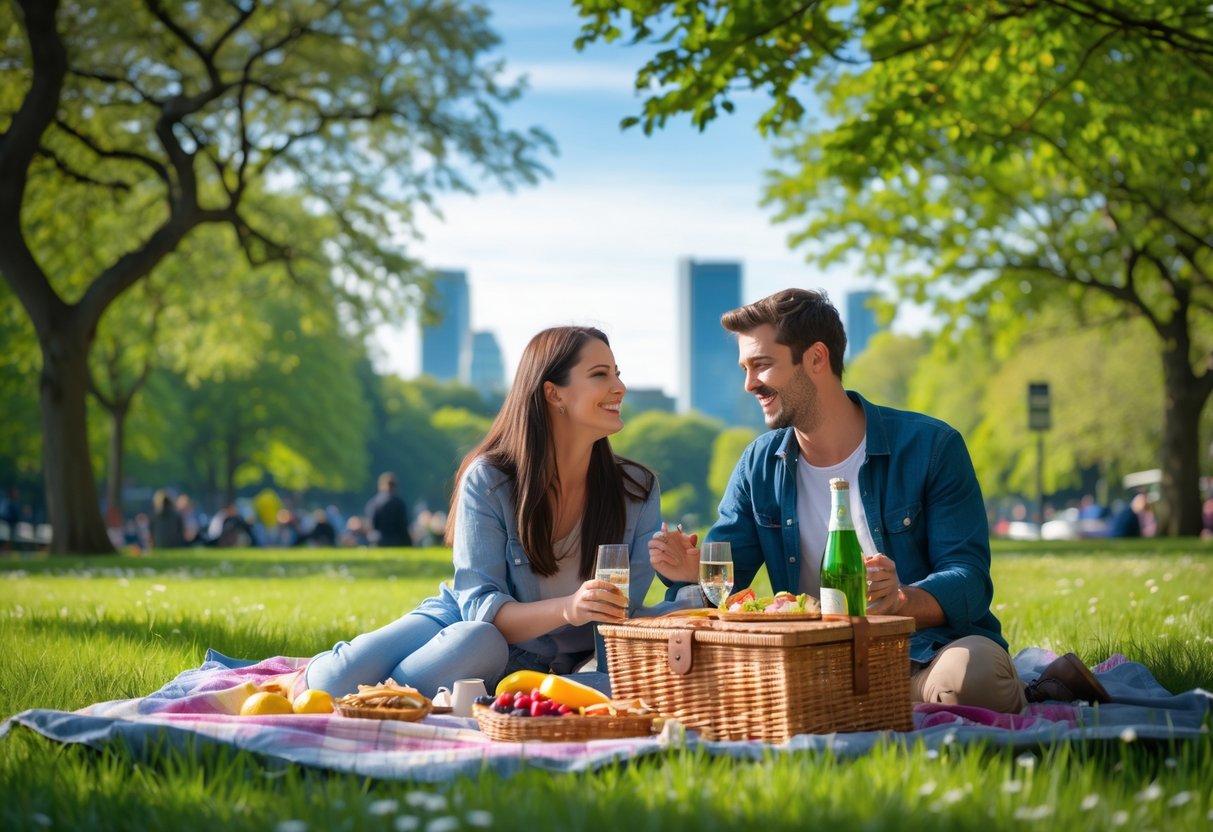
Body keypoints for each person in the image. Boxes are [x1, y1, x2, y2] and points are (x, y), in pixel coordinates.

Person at [649, 289, 1108, 713]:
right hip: (811, 661)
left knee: (975, 677)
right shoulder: (757, 465)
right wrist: (693, 575)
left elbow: (969, 580)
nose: (749, 384)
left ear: (815, 358)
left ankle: (1002, 688)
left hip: (923, 653)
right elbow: (725, 584)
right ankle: (885, 703)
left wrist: (901, 600)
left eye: (762, 365)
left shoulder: (932, 446)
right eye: (745, 369)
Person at [305, 326, 662, 697]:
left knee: (479, 645)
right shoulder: (491, 480)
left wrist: (682, 579)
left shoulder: (636, 491)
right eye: (600, 374)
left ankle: (384, 695)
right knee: (334, 682)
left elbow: (624, 618)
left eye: (616, 373)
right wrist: (570, 608)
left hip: (516, 662)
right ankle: (321, 679)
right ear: (553, 393)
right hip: (458, 620)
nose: (619, 386)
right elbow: (479, 606)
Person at [365, 472, 412, 547]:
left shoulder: (374, 503)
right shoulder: (399, 503)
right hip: (398, 540)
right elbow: (404, 524)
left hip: (380, 540)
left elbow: (372, 524)